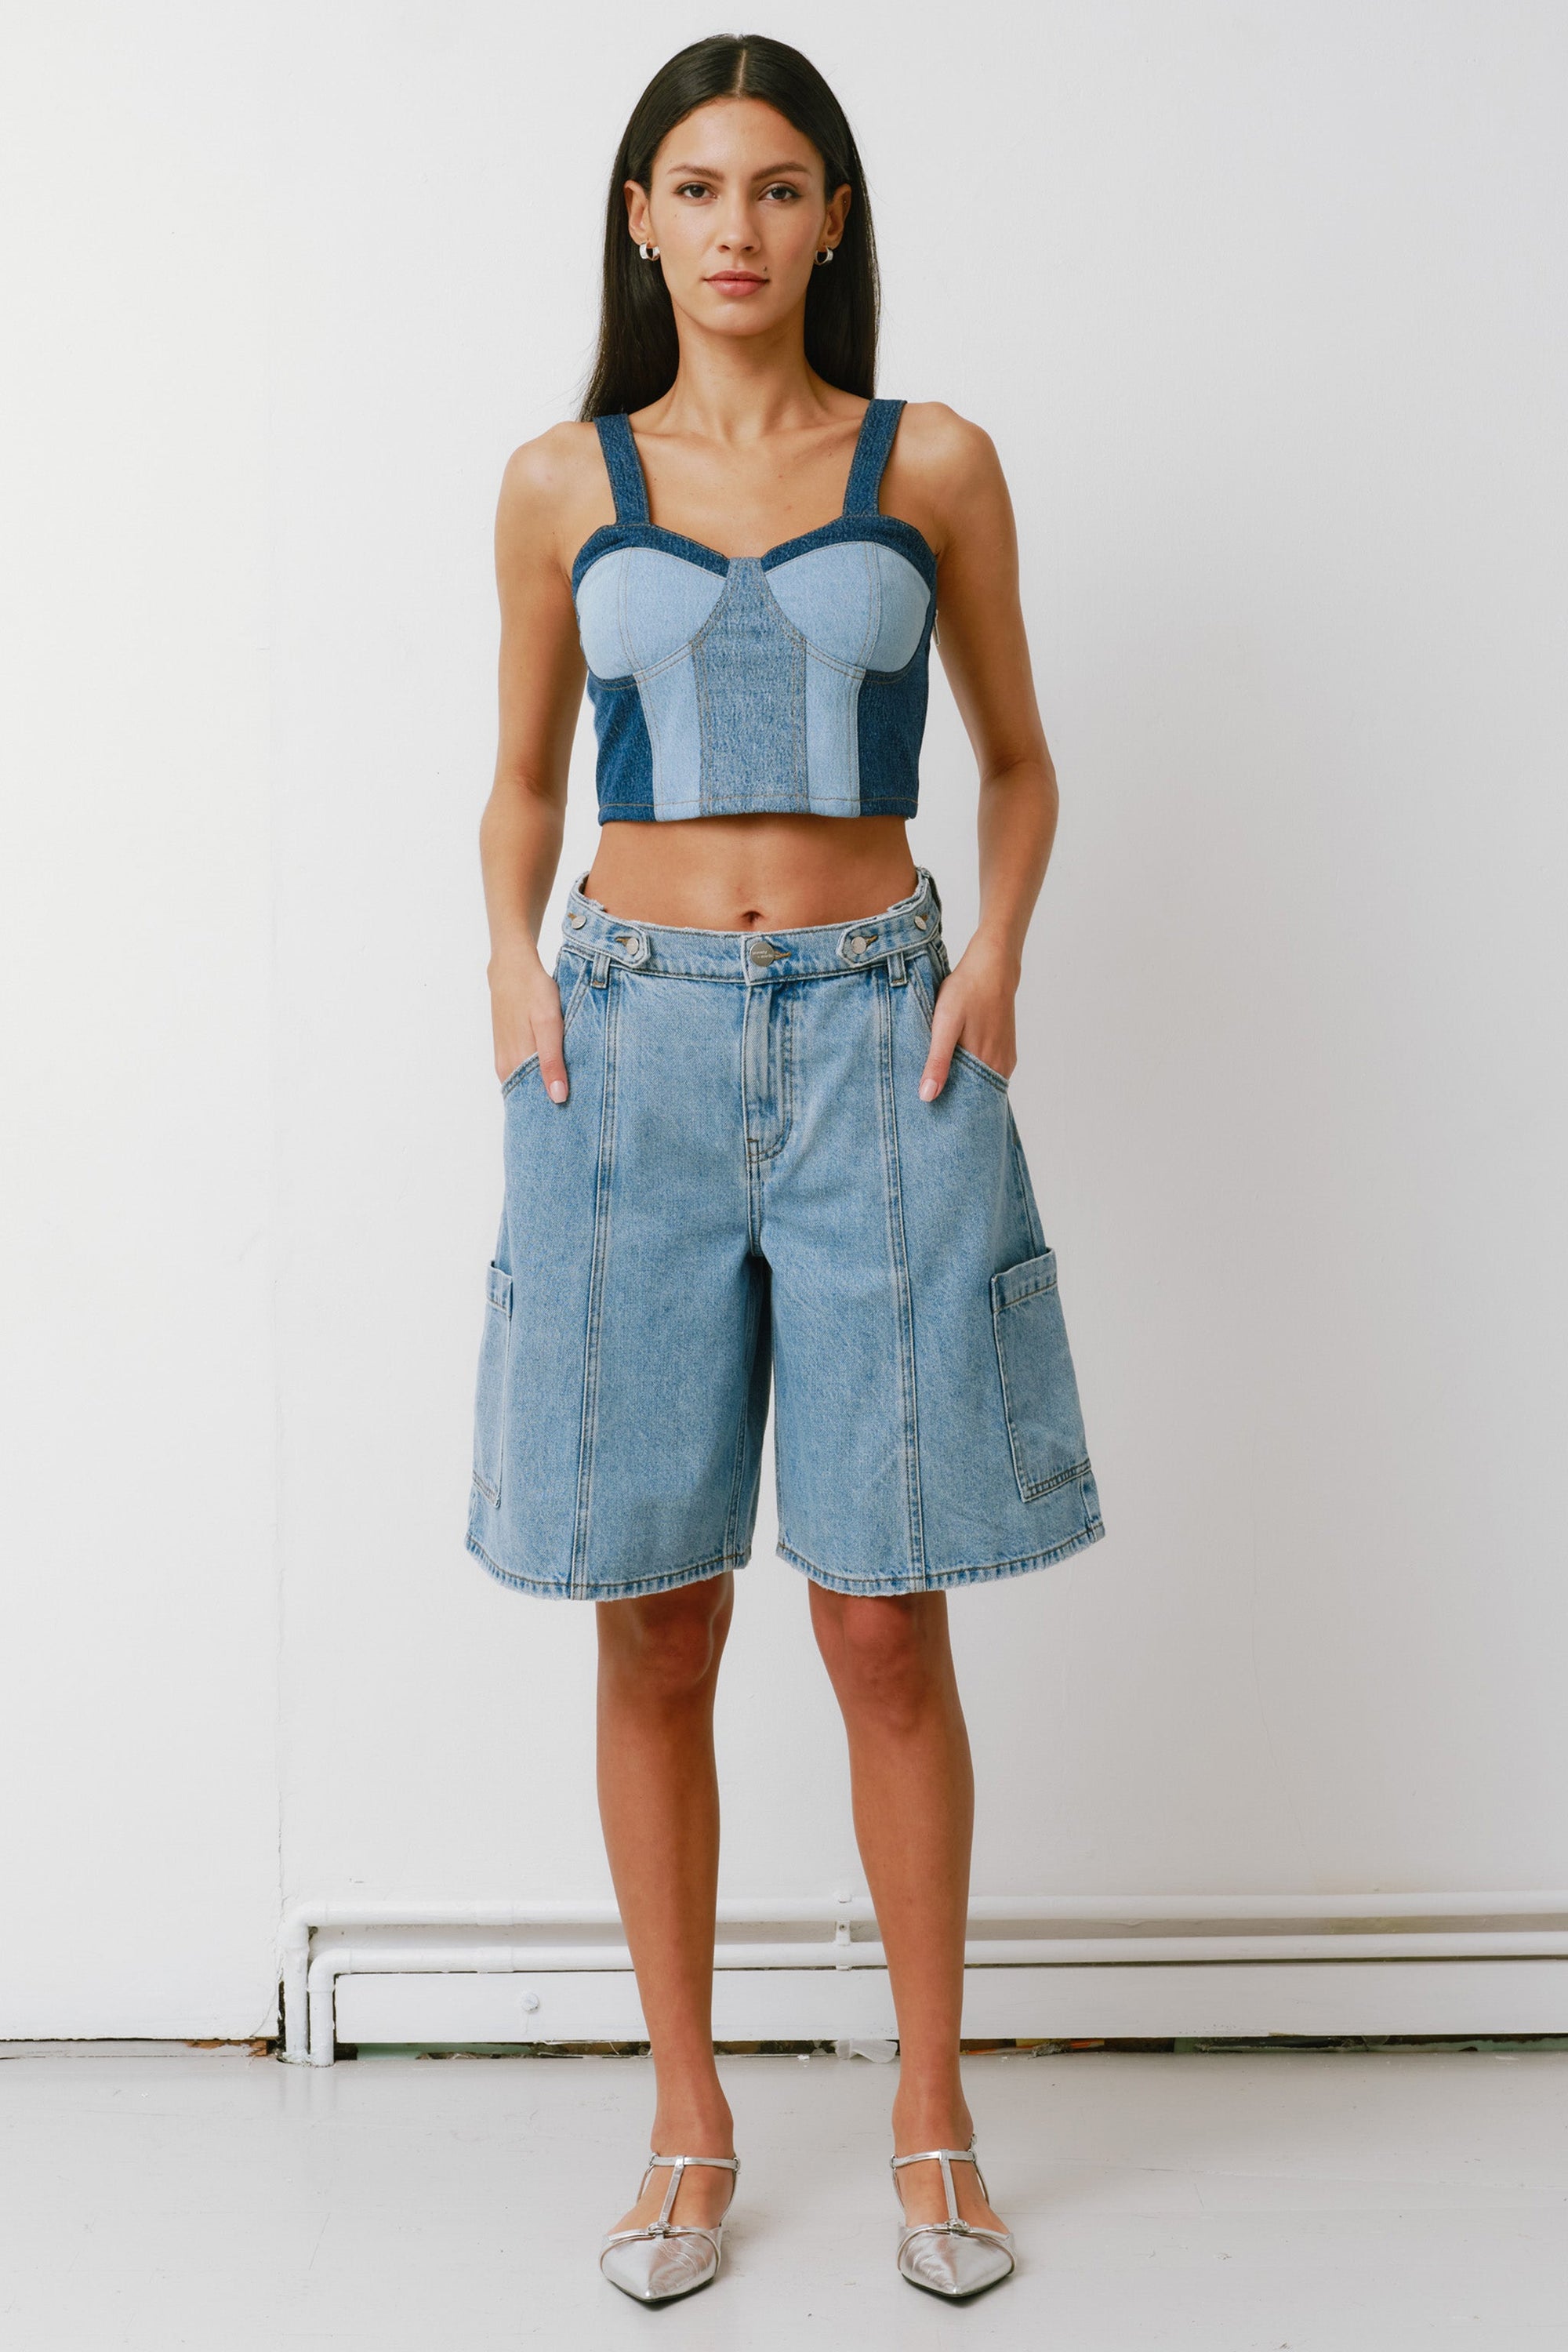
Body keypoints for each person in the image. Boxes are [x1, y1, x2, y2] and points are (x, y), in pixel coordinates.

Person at [470, 31, 1102, 2306]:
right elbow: (522, 787)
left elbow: (1017, 763)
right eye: (694, 184)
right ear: (639, 221)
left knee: (883, 1612)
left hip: (874, 1038)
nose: (735, 225)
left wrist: (994, 958)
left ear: (832, 219)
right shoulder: (563, 480)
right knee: (655, 1614)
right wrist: (511, 970)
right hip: (621, 1045)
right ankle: (687, 2117)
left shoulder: (933, 462)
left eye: (778, 185)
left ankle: (931, 2110)